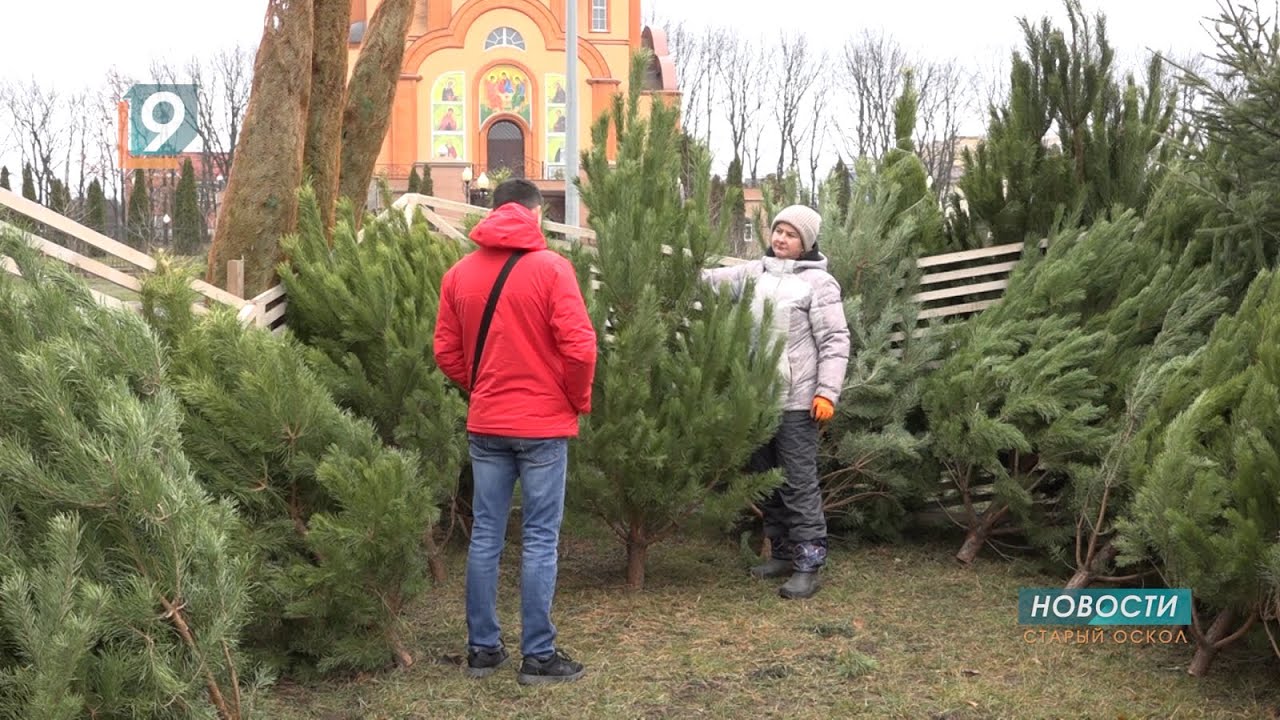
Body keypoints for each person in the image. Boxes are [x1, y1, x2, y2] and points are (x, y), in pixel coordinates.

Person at [433, 178, 598, 684]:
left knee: (486, 535)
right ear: (533, 213)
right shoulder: (552, 269)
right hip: (544, 425)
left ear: (494, 210)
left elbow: (445, 351)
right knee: (539, 539)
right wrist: (576, 399)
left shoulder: (458, 273)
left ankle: (483, 651)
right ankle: (539, 657)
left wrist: (481, 386)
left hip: (487, 421)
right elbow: (580, 347)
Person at [701, 204, 850, 600]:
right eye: (778, 231)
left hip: (799, 401)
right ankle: (782, 554)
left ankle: (809, 562)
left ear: (806, 243)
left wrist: (826, 393)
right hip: (757, 398)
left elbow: (835, 341)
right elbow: (705, 281)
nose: (781, 239)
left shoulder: (819, 285)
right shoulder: (754, 274)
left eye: (791, 234)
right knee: (767, 481)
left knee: (799, 484)